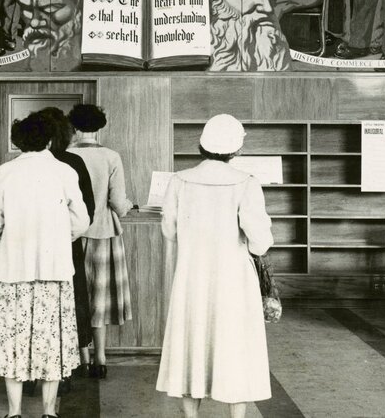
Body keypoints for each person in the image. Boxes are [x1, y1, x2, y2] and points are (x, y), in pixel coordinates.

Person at [157, 114, 273, 418]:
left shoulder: (179, 180)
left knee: (191, 343)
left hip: (191, 278)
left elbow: (169, 231)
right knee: (236, 345)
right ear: (237, 149)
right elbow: (260, 243)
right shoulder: (246, 183)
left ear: (202, 144)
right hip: (234, 280)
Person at [0, 111, 89, 418]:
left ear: (18, 142)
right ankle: (49, 412)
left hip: (12, 269)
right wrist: (58, 239)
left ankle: (14, 412)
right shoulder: (65, 171)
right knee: (52, 340)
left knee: (11, 340)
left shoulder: (4, 172)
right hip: (54, 269)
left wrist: (7, 242)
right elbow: (81, 221)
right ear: (50, 140)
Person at [67, 104, 134, 379]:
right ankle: (101, 358)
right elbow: (117, 202)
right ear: (99, 128)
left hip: (72, 235)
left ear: (74, 127)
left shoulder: (65, 155)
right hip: (104, 233)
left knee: (77, 295)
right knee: (100, 298)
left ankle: (82, 357)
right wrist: (127, 206)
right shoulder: (111, 156)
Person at [40, 107, 96, 387]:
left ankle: (35, 371)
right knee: (70, 306)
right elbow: (88, 211)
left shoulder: (23, 165)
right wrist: (66, 235)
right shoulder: (74, 162)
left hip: (33, 248)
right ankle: (66, 369)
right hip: (67, 245)